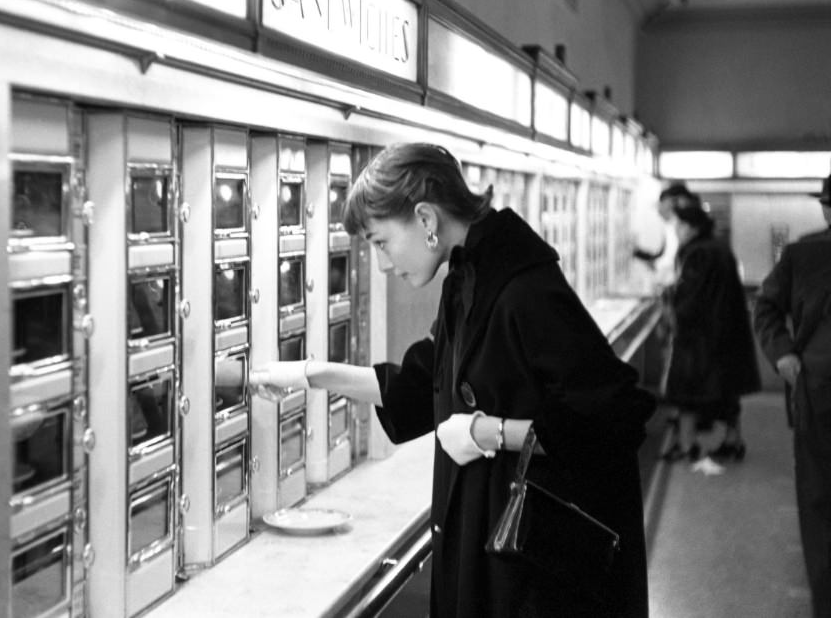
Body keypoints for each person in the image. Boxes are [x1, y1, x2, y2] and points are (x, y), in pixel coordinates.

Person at [250, 143, 655, 617]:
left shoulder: (523, 289)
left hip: (535, 579)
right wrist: (308, 374)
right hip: (486, 548)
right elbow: (420, 385)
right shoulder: (468, 280)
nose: (381, 264)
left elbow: (615, 419)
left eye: (381, 242)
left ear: (425, 218)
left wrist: (492, 432)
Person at [753, 171, 831, 618]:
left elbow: (764, 306)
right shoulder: (803, 253)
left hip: (816, 395)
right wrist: (782, 355)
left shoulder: (803, 255)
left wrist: (785, 356)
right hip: (815, 395)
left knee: (819, 504)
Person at [660, 204, 761, 462]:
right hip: (726, 334)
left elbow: (691, 299)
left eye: (680, 227)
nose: (677, 232)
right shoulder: (718, 247)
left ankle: (686, 444)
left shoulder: (697, 253)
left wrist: (670, 298)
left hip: (700, 339)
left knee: (686, 393)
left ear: (692, 227)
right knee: (727, 392)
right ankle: (732, 441)